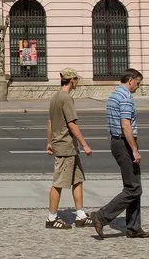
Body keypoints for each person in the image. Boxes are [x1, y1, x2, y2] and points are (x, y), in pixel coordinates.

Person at [90, 68, 149, 239]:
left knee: (135, 186)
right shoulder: (125, 97)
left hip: (116, 142)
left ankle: (133, 227)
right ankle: (101, 216)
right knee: (133, 188)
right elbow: (125, 125)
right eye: (138, 83)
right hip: (123, 143)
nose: (138, 87)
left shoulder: (114, 94)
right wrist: (135, 149)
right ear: (130, 80)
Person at [46, 67, 94, 230]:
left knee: (77, 180)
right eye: (76, 79)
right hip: (65, 146)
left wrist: (49, 142)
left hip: (66, 145)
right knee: (58, 183)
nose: (77, 82)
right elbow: (72, 124)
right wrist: (85, 144)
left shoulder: (55, 97)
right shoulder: (66, 98)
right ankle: (52, 218)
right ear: (72, 80)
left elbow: (50, 122)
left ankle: (80, 215)